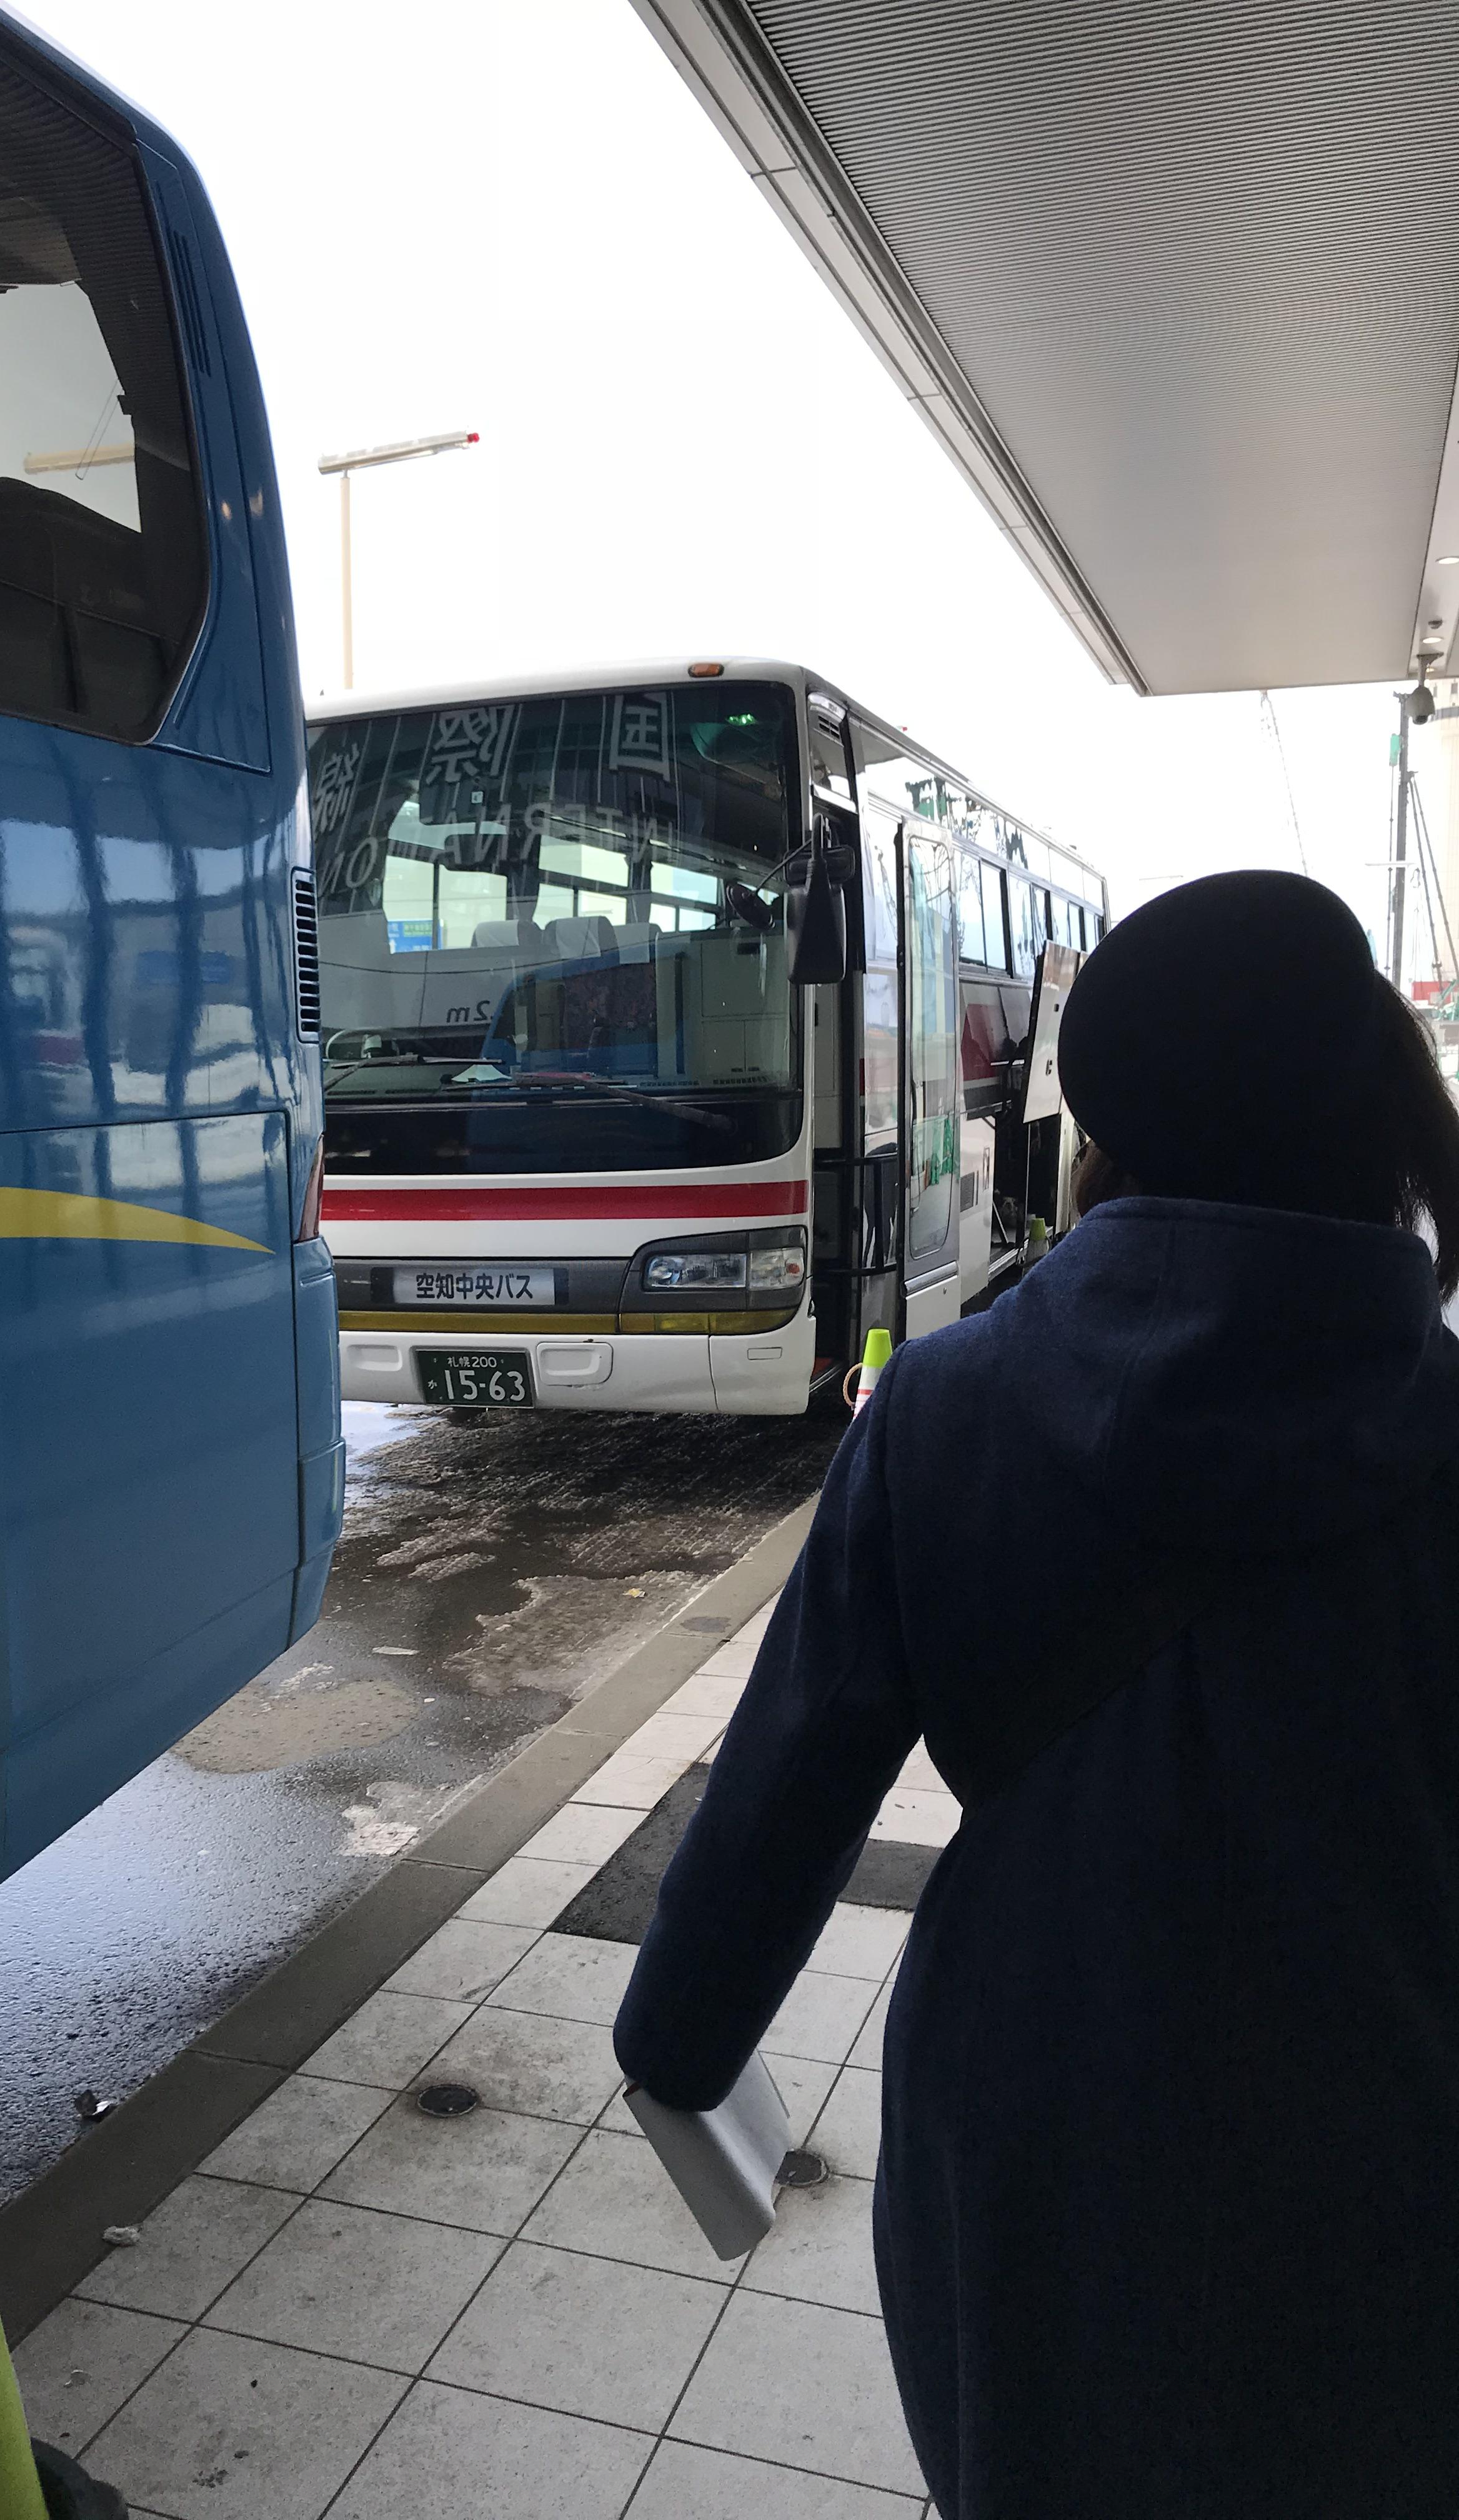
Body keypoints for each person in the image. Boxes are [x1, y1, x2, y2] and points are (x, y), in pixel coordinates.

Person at [613, 869, 1459, 2519]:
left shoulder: (945, 1409)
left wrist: (680, 2038)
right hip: (1395, 2115)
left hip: (1033, 2104)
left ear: (1100, 1127)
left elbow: (788, 1780)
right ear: (1381, 1119)